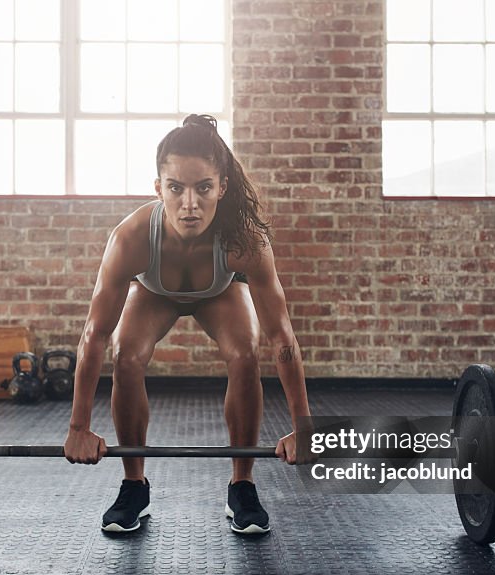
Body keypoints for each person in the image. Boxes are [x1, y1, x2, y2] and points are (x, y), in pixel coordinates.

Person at [62, 114, 312, 534]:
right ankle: (133, 486)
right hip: (154, 293)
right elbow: (95, 334)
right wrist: (78, 428)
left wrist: (304, 428)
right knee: (126, 354)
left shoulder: (246, 241)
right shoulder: (131, 239)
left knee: (245, 352)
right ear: (158, 188)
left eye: (203, 188)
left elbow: (280, 336)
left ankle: (242, 486)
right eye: (176, 188)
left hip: (220, 292)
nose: (190, 204)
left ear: (223, 187)